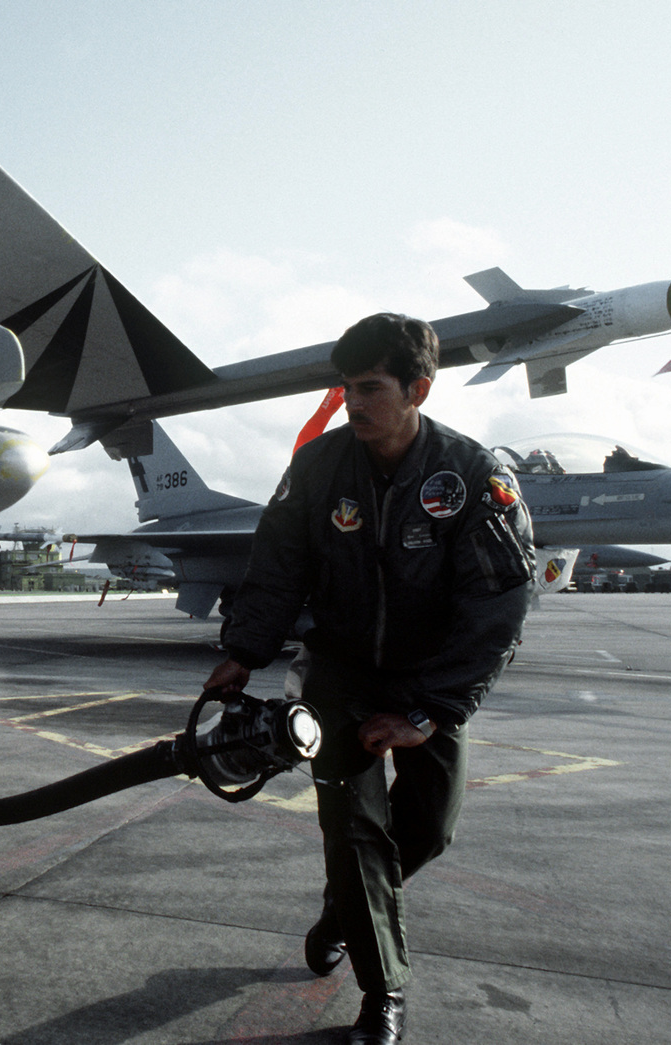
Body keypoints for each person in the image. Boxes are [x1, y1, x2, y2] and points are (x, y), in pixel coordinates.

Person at [205, 313, 534, 1045]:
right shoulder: (320, 468)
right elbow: (277, 566)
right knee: (354, 826)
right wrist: (244, 651)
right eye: (346, 387)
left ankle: (341, 914)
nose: (352, 402)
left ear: (418, 387)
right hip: (339, 673)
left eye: (370, 388)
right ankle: (383, 993)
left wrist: (428, 709)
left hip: (430, 676)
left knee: (430, 829)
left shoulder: (473, 476)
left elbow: (499, 604)